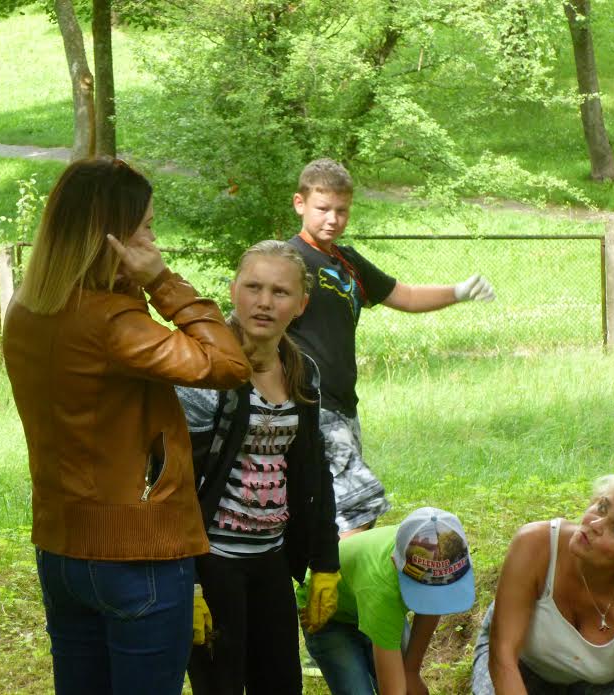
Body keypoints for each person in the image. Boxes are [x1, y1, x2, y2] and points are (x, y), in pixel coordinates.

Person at [1, 157, 252, 695]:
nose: (153, 242)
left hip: (62, 547)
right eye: (146, 228)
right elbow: (229, 364)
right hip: (137, 553)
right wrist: (161, 281)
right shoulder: (112, 324)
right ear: (110, 238)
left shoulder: (26, 309)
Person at [286, 158, 495, 535]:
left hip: (344, 404)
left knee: (328, 507)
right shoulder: (288, 260)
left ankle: (322, 571)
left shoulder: (347, 261)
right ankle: (344, 574)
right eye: (323, 208)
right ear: (300, 203)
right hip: (308, 401)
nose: (333, 219)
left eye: (341, 210)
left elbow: (406, 296)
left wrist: (459, 291)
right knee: (360, 506)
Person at [175, 239, 341, 695]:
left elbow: (315, 471)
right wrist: (187, 581)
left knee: (282, 685)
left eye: (280, 292)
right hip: (213, 563)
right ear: (233, 291)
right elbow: (175, 482)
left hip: (272, 559)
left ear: (301, 305)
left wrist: (325, 562)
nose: (264, 302)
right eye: (253, 287)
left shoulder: (303, 372)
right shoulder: (205, 371)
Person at [472, 475, 614, 694]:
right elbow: (503, 656)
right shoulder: (535, 544)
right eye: (602, 507)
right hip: (521, 663)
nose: (595, 524)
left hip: (595, 681)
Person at [298, 506, 475, 695]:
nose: (433, 597)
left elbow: (433, 605)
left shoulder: (433, 547)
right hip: (327, 614)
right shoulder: (382, 589)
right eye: (424, 589)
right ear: (395, 563)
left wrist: (411, 672)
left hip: (366, 600)